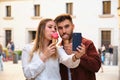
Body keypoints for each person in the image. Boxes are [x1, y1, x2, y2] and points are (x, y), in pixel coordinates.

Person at [54, 14, 101, 80]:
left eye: (67, 26)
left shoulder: (87, 43)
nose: (64, 31)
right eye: (60, 28)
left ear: (73, 27)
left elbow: (96, 67)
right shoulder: (59, 48)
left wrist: (81, 55)